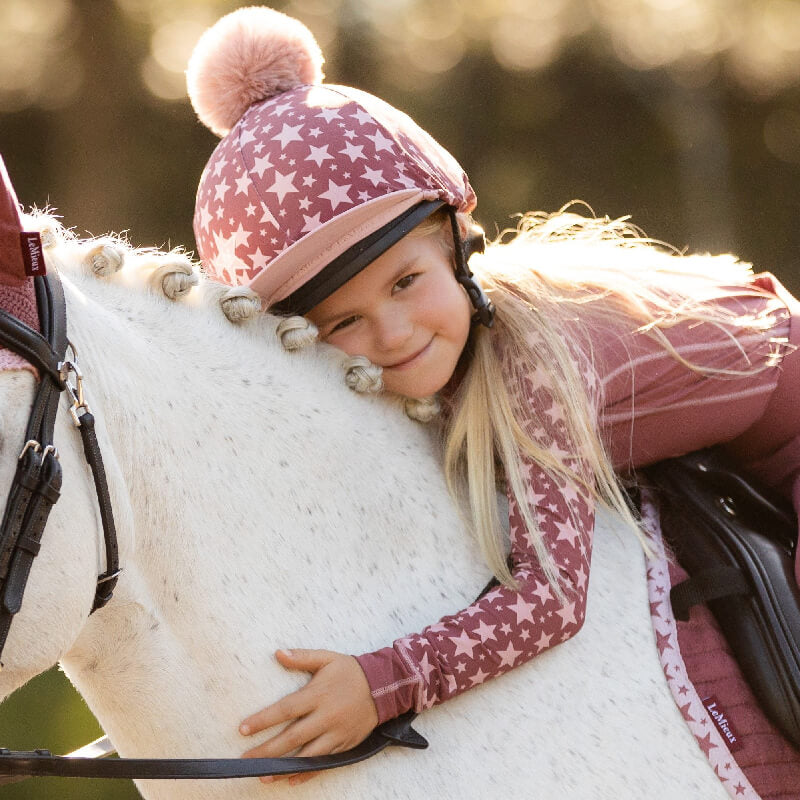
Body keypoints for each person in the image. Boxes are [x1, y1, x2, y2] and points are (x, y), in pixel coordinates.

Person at [186, 6, 800, 785]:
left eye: (407, 282)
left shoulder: (533, 365)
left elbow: (551, 599)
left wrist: (384, 682)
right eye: (345, 320)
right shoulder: (445, 355)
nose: (395, 332)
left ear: (457, 250)